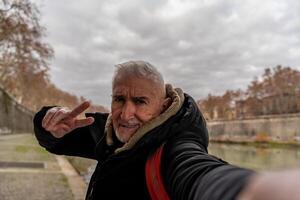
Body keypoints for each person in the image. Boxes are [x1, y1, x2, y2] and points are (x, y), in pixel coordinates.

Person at [33, 60, 300, 200]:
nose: (126, 113)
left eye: (140, 102)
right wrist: (50, 125)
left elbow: (198, 173)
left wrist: (248, 190)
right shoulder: (108, 129)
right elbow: (59, 138)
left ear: (162, 107)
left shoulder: (176, 148)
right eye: (119, 99)